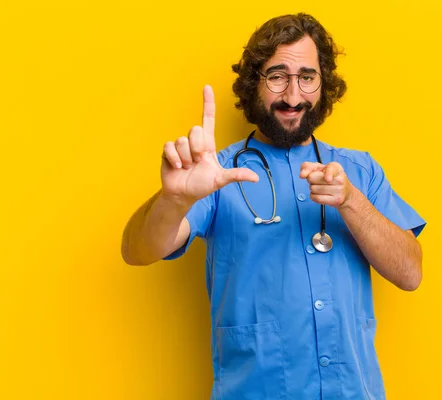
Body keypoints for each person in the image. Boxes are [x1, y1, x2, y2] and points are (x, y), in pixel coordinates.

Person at [121, 12, 426, 400]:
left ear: (323, 83)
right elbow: (137, 250)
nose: (294, 96)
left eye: (307, 77)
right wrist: (175, 198)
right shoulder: (217, 174)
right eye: (277, 76)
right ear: (254, 84)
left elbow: (410, 273)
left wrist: (351, 202)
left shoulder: (360, 171)